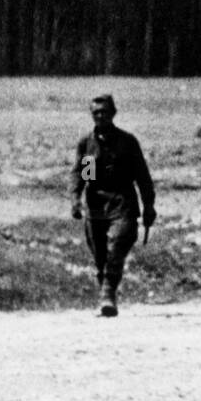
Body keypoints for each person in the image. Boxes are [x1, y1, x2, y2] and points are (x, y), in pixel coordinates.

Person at [70, 95, 156, 317]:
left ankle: (108, 295)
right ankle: (106, 293)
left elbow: (142, 176)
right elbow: (84, 174)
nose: (100, 116)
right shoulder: (88, 144)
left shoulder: (127, 142)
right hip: (96, 205)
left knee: (116, 247)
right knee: (100, 257)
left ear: (113, 114)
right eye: (96, 113)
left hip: (122, 203)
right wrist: (76, 200)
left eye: (105, 112)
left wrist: (149, 205)